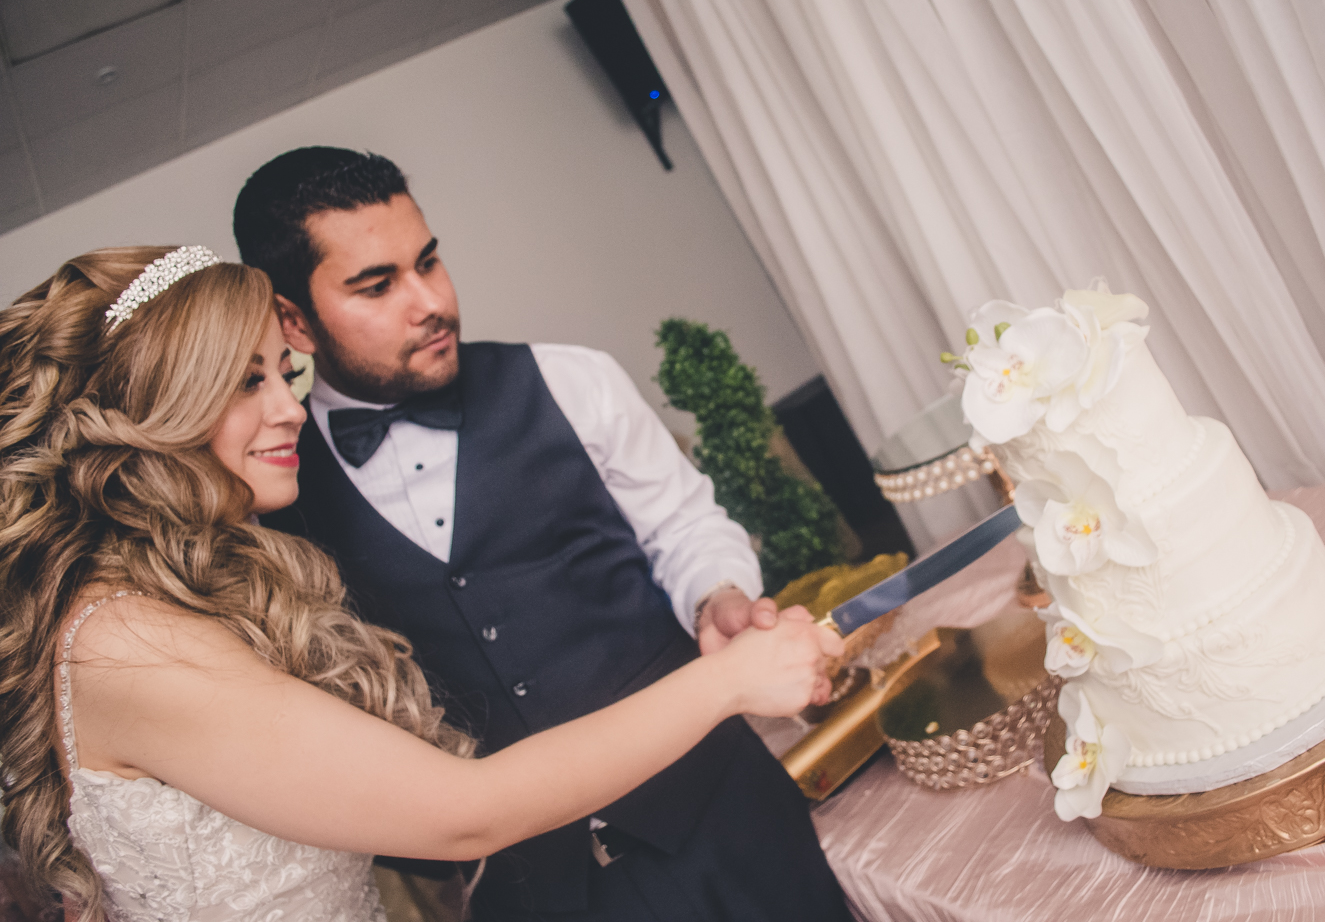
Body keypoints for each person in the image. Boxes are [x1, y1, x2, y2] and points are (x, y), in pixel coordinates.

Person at [0, 246, 843, 922]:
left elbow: (682, 523)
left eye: (283, 373)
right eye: (248, 380)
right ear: (153, 413)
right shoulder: (128, 641)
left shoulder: (178, 602)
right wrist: (729, 681)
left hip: (726, 827)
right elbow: (466, 810)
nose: (289, 407)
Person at [234, 148, 854, 920]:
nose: (431, 301)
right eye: (378, 285)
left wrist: (716, 594)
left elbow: (684, 523)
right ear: (294, 320)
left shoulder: (573, 378)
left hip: (730, 821)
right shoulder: (274, 500)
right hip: (535, 895)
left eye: (428, 261)